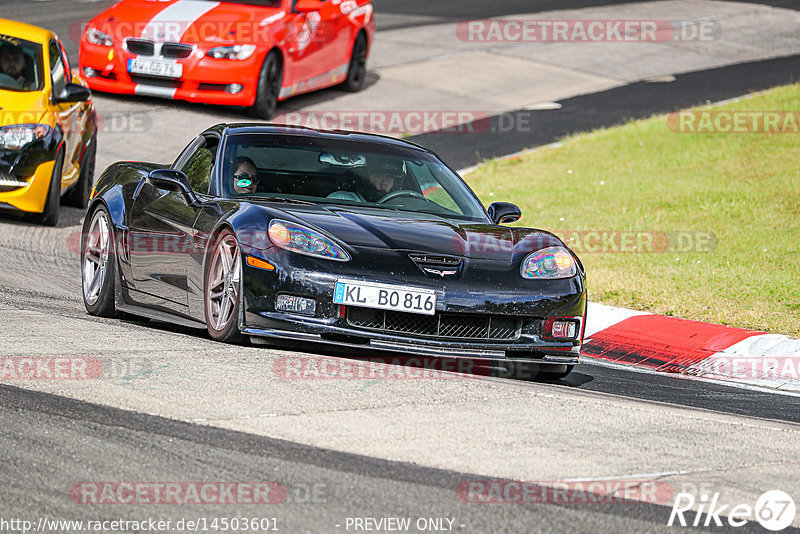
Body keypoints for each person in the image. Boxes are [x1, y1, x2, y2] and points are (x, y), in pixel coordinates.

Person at [327, 156, 403, 203]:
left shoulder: (402, 206)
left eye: (389, 177)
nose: (384, 182)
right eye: (378, 176)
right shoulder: (341, 199)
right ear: (366, 177)